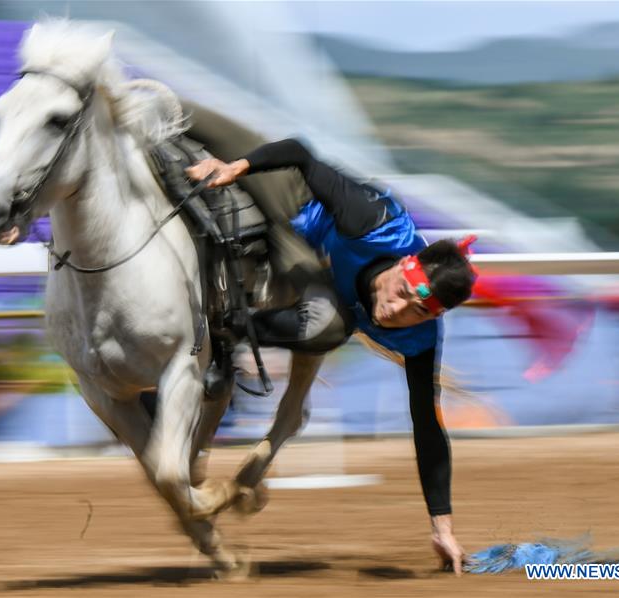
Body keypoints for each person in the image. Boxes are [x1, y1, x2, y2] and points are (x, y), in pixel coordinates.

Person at [184, 119, 476, 575]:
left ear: (431, 319)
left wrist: (443, 528)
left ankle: (225, 329)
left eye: (416, 312)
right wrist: (236, 166)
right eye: (400, 293)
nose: (394, 312)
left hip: (312, 264)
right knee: (195, 119)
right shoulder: (370, 220)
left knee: (329, 328)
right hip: (295, 201)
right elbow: (300, 152)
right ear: (404, 265)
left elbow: (428, 428)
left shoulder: (419, 338)